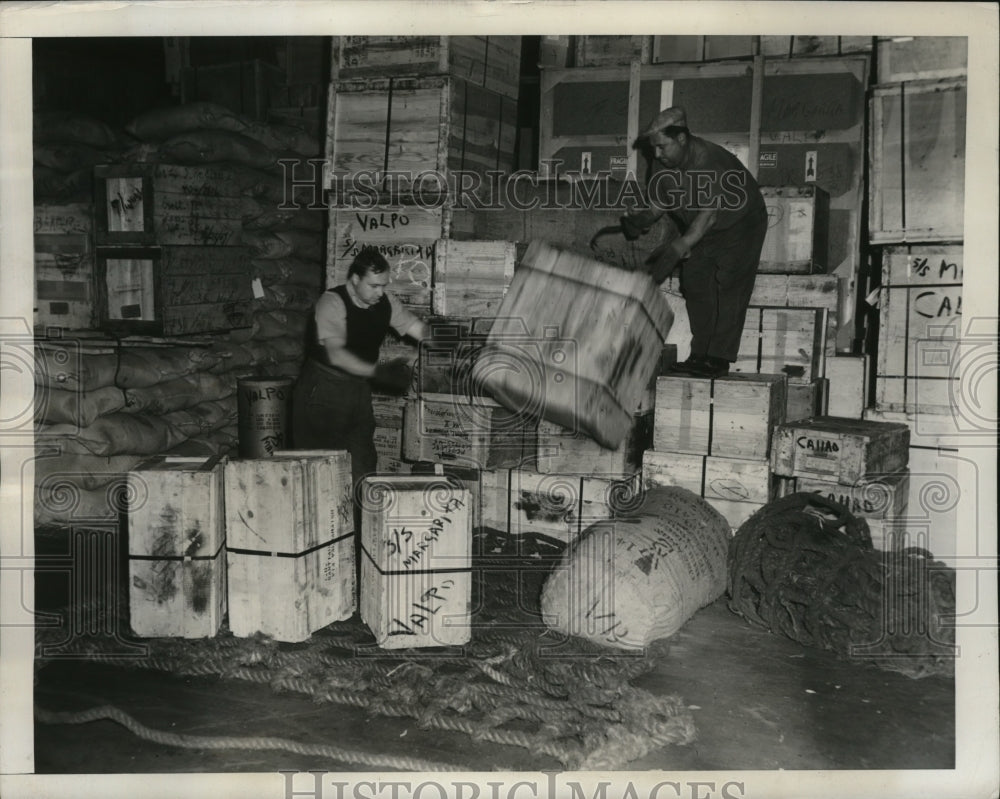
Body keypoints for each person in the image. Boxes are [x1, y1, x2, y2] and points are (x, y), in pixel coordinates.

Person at [621, 106, 768, 378]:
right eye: (653, 148)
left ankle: (719, 358)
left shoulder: (710, 162)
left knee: (730, 284)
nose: (656, 154)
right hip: (703, 226)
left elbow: (707, 218)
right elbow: (658, 204)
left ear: (681, 139)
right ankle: (700, 353)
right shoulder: (662, 163)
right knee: (695, 280)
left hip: (741, 223)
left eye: (662, 147)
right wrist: (640, 218)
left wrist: (678, 248)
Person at [293, 249, 426, 529]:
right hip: (323, 392)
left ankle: (358, 543)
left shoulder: (384, 302)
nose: (380, 292)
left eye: (383, 285)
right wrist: (378, 372)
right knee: (321, 472)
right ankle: (320, 540)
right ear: (355, 279)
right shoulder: (332, 302)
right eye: (373, 285)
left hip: (357, 394)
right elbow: (337, 355)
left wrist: (454, 342)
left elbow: (414, 326)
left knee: (363, 465)